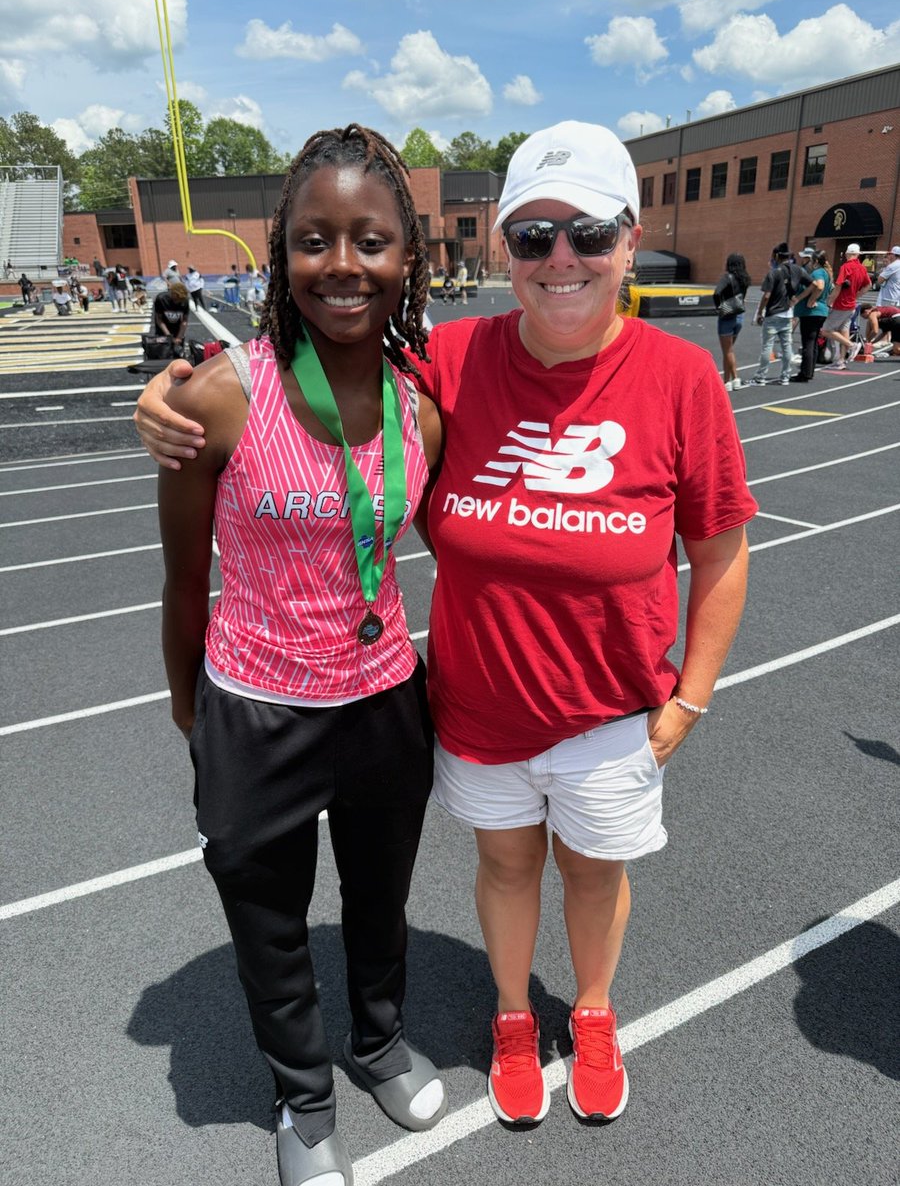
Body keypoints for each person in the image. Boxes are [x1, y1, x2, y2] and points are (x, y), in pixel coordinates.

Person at [135, 120, 756, 1136]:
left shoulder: (668, 379)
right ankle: (460, 1040)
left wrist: (690, 698)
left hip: (584, 710)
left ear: (630, 240)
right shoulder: (450, 360)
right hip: (456, 706)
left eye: (590, 233)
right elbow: (301, 372)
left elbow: (723, 551)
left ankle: (582, 1015)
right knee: (483, 872)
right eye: (534, 236)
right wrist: (167, 395)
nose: (561, 257)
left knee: (573, 876)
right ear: (504, 248)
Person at [149, 124, 448, 1186]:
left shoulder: (422, 405)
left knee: (380, 901)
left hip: (384, 705)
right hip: (255, 707)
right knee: (270, 927)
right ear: (282, 251)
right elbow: (183, 578)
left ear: (408, 257)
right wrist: (192, 709)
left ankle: (378, 1042)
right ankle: (303, 1101)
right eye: (315, 240)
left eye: (371, 240)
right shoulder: (220, 395)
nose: (342, 265)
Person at [749, 241, 812, 386]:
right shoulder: (797, 270)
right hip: (788, 314)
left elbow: (766, 296)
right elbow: (813, 284)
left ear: (776, 256)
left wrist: (760, 312)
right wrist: (798, 298)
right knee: (787, 346)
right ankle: (785, 376)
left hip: (773, 313)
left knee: (767, 346)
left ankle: (761, 376)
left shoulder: (774, 272)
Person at [822, 242, 871, 369]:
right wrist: (856, 296)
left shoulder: (846, 267)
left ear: (847, 254)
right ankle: (841, 360)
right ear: (858, 255)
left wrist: (829, 301)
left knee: (825, 330)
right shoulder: (862, 268)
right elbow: (868, 285)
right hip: (851, 305)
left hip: (841, 304)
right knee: (844, 332)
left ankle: (851, 345)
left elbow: (838, 286)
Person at [789, 248, 830, 382]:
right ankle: (809, 371)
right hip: (820, 311)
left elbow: (819, 286)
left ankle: (805, 373)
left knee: (808, 342)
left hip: (811, 312)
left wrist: (811, 300)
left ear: (816, 261)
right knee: (813, 343)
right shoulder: (826, 272)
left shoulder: (818, 272)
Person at [712, 252, 751, 390]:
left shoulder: (727, 277)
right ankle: (726, 380)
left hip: (727, 316)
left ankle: (735, 379)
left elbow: (717, 293)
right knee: (728, 351)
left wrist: (719, 307)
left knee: (727, 351)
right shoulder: (745, 279)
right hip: (739, 315)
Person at [151, 280, 190, 349]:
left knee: (178, 352)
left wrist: (179, 336)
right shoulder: (161, 299)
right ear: (172, 294)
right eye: (176, 299)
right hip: (162, 331)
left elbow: (184, 320)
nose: (178, 302)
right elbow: (159, 319)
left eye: (180, 300)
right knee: (163, 352)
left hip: (177, 331)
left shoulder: (184, 300)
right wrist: (169, 336)